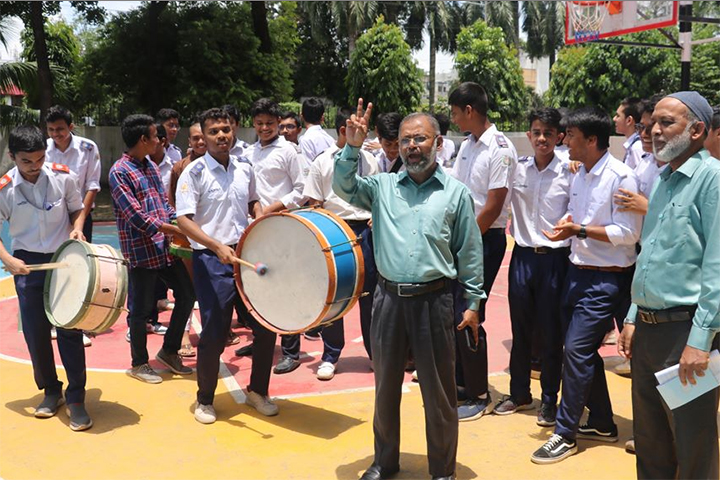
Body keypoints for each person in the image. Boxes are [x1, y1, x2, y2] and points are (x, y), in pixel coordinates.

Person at [334, 99, 485, 480]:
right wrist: (352, 146)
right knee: (385, 388)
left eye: (420, 139)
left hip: (435, 302)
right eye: (405, 140)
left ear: (438, 143)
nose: (412, 146)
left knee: (439, 395)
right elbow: (343, 185)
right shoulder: (382, 187)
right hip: (387, 301)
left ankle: (443, 471)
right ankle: (384, 462)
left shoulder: (455, 193)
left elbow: (469, 251)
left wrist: (473, 302)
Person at [531, 107, 642, 464]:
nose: (565, 141)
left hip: (607, 278)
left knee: (576, 350)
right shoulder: (580, 173)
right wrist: (571, 222)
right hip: (577, 272)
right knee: (578, 350)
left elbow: (627, 235)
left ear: (592, 140)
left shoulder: (622, 178)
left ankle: (565, 433)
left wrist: (577, 229)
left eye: (572, 136)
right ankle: (603, 421)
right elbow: (583, 219)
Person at [618, 91, 720, 479]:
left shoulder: (713, 180)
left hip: (685, 335)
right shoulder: (663, 180)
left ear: (697, 130)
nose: (654, 132)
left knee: (693, 445)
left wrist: (701, 340)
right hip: (648, 331)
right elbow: (649, 254)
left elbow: (717, 264)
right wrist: (631, 316)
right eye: (651, 124)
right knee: (651, 442)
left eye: (666, 123)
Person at [176, 107, 278, 424]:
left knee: (265, 325)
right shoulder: (192, 173)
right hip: (211, 259)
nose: (221, 135)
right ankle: (205, 399)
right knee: (216, 330)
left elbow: (252, 202)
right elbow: (183, 220)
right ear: (203, 138)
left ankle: (257, 391)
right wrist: (215, 245)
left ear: (233, 131)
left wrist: (260, 218)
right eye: (214, 131)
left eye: (225, 129)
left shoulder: (244, 168)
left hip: (244, 254)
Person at [0, 125, 92, 431]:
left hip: (63, 261)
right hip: (26, 265)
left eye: (39, 159)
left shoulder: (63, 176)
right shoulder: (4, 189)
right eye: (26, 161)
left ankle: (76, 397)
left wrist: (77, 228)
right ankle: (52, 390)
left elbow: (77, 209)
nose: (34, 166)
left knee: (69, 329)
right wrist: (9, 260)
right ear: (12, 156)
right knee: (36, 334)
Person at [494, 108, 571, 428]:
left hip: (555, 260)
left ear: (559, 137)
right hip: (523, 258)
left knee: (551, 333)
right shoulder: (518, 171)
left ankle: (550, 400)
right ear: (528, 135)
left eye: (549, 134)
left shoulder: (570, 170)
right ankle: (519, 393)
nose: (542, 139)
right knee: (520, 329)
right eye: (536, 132)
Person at [108, 114, 196, 385]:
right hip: (141, 251)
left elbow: (163, 205)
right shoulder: (119, 172)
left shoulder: (150, 166)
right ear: (143, 139)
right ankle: (140, 363)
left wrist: (181, 221)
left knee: (187, 294)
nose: (161, 140)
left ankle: (169, 351)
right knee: (140, 309)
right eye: (156, 136)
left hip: (164, 248)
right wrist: (175, 229)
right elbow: (137, 218)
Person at [449, 81, 517, 421]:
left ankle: (478, 393)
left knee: (471, 311)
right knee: (456, 310)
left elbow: (493, 205)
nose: (453, 118)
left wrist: (465, 242)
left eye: (455, 112)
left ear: (470, 111)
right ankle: (462, 385)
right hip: (463, 238)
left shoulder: (499, 148)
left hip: (483, 240)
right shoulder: (467, 146)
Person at [302, 107, 380, 378]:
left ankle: (376, 354)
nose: (361, 133)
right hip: (335, 232)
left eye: (365, 129)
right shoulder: (322, 161)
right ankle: (330, 355)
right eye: (355, 128)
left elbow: (379, 198)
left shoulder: (371, 160)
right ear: (342, 130)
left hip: (367, 232)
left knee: (370, 296)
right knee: (334, 296)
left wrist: (376, 218)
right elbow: (314, 202)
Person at [243, 98, 307, 375]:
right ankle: (262, 341)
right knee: (257, 286)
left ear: (278, 124)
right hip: (255, 230)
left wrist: (271, 208)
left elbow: (302, 190)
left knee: (285, 287)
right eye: (260, 123)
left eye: (270, 123)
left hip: (281, 227)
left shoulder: (289, 151)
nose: (265, 128)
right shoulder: (248, 152)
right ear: (253, 124)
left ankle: (291, 351)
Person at [45, 105, 101, 243]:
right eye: (50, 130)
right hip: (52, 218)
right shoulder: (43, 149)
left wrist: (79, 222)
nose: (55, 134)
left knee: (80, 259)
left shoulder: (88, 148)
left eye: (59, 129)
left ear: (70, 127)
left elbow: (92, 186)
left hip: (82, 214)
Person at [613, 97, 645, 170]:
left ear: (629, 120)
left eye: (618, 116)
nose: (614, 119)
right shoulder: (633, 146)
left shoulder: (637, 148)